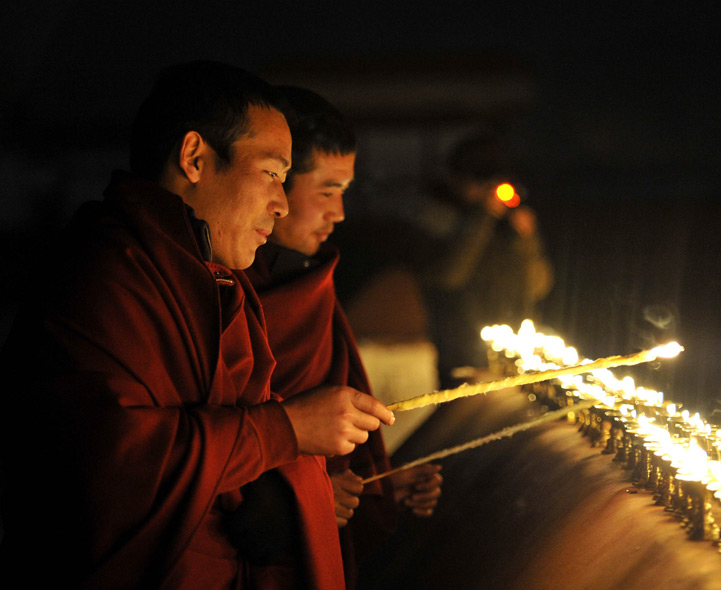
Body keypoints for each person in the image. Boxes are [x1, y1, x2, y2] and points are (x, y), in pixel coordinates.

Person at [0, 61, 392, 589]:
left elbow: (239, 453)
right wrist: (289, 430)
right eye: (273, 174)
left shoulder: (221, 284)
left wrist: (298, 482)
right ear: (195, 158)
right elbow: (117, 469)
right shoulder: (105, 278)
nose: (280, 203)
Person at [245, 87, 443, 589]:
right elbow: (214, 452)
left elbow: (323, 452)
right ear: (277, 181)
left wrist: (377, 481)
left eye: (345, 192)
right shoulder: (224, 292)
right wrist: (307, 497)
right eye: (327, 190)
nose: (340, 214)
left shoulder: (313, 284)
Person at [415, 134, 554, 387]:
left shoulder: (510, 225)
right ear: (457, 180)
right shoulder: (439, 217)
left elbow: (538, 288)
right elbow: (448, 276)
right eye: (480, 182)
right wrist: (482, 218)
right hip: (460, 356)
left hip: (514, 355)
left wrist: (528, 240)